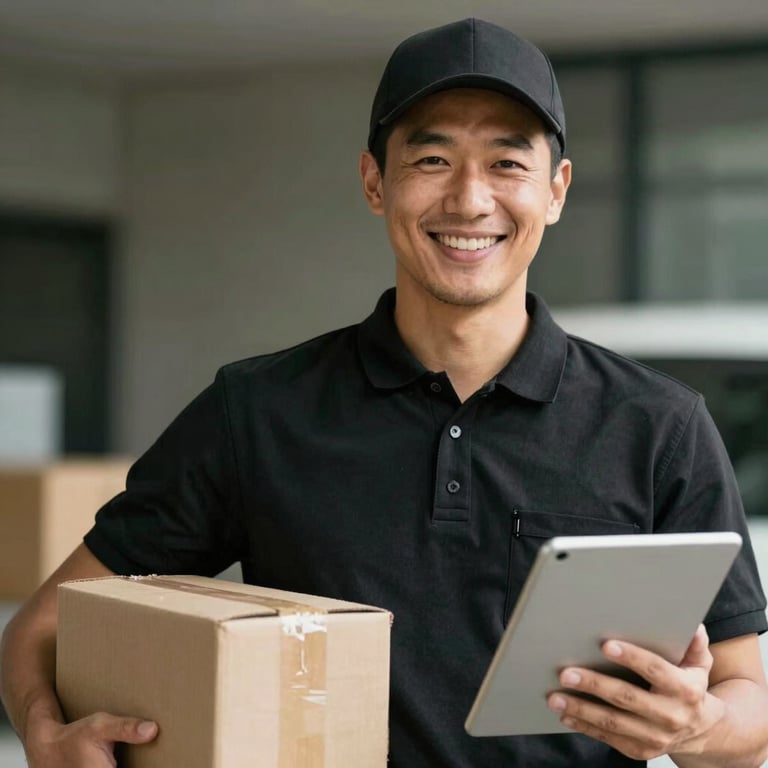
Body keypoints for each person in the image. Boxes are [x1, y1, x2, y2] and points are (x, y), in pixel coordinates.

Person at [2, 17, 768, 768]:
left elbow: (747, 705)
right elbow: (43, 626)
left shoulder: (658, 425)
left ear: (556, 190)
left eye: (507, 163)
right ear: (376, 181)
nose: (469, 200)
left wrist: (697, 727)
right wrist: (45, 731)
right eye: (432, 159)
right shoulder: (259, 411)